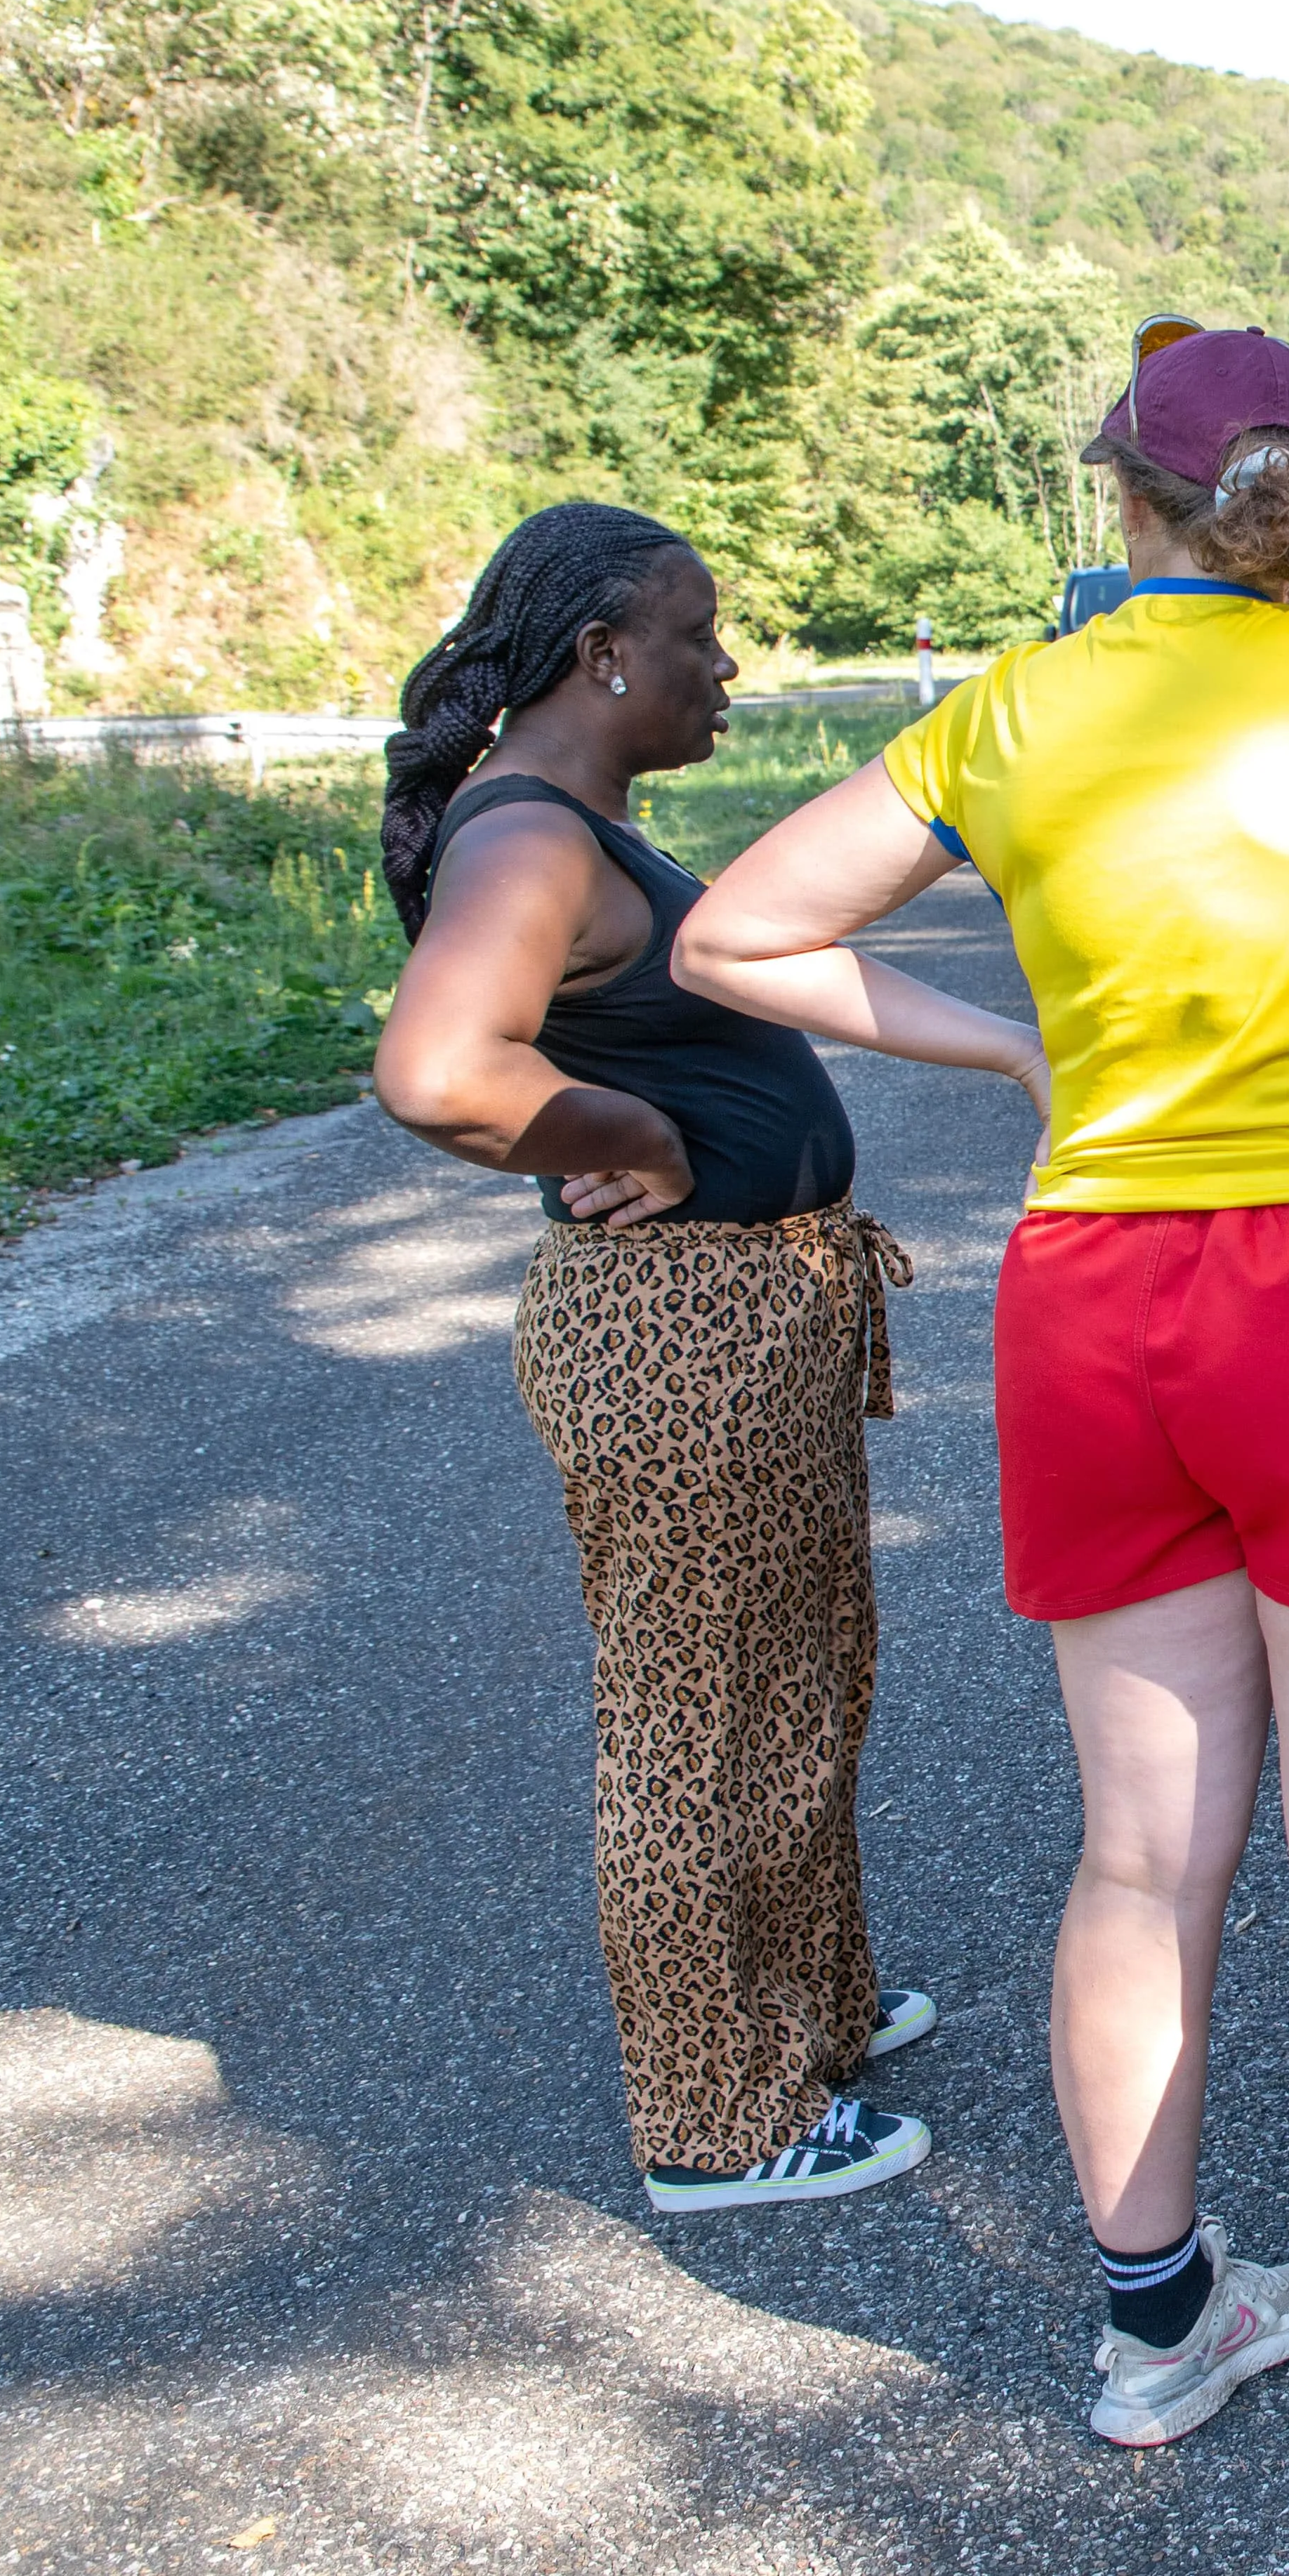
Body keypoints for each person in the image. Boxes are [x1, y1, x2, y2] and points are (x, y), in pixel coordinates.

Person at [674, 322, 1289, 2560]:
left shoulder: (1007, 706)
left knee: (1139, 1859)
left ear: (1123, 499)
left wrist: (1016, 1057)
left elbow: (738, 934)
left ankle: (1158, 2333)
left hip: (1097, 1294)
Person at [369, 501, 933, 2217]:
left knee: (798, 1667)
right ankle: (718, 2116)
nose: (725, 666)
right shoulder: (526, 835)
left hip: (755, 1308)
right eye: (698, 635)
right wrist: (639, 1133)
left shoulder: (584, 828)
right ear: (606, 653)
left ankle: (812, 2010)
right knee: (696, 1714)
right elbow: (441, 1068)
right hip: (673, 1324)